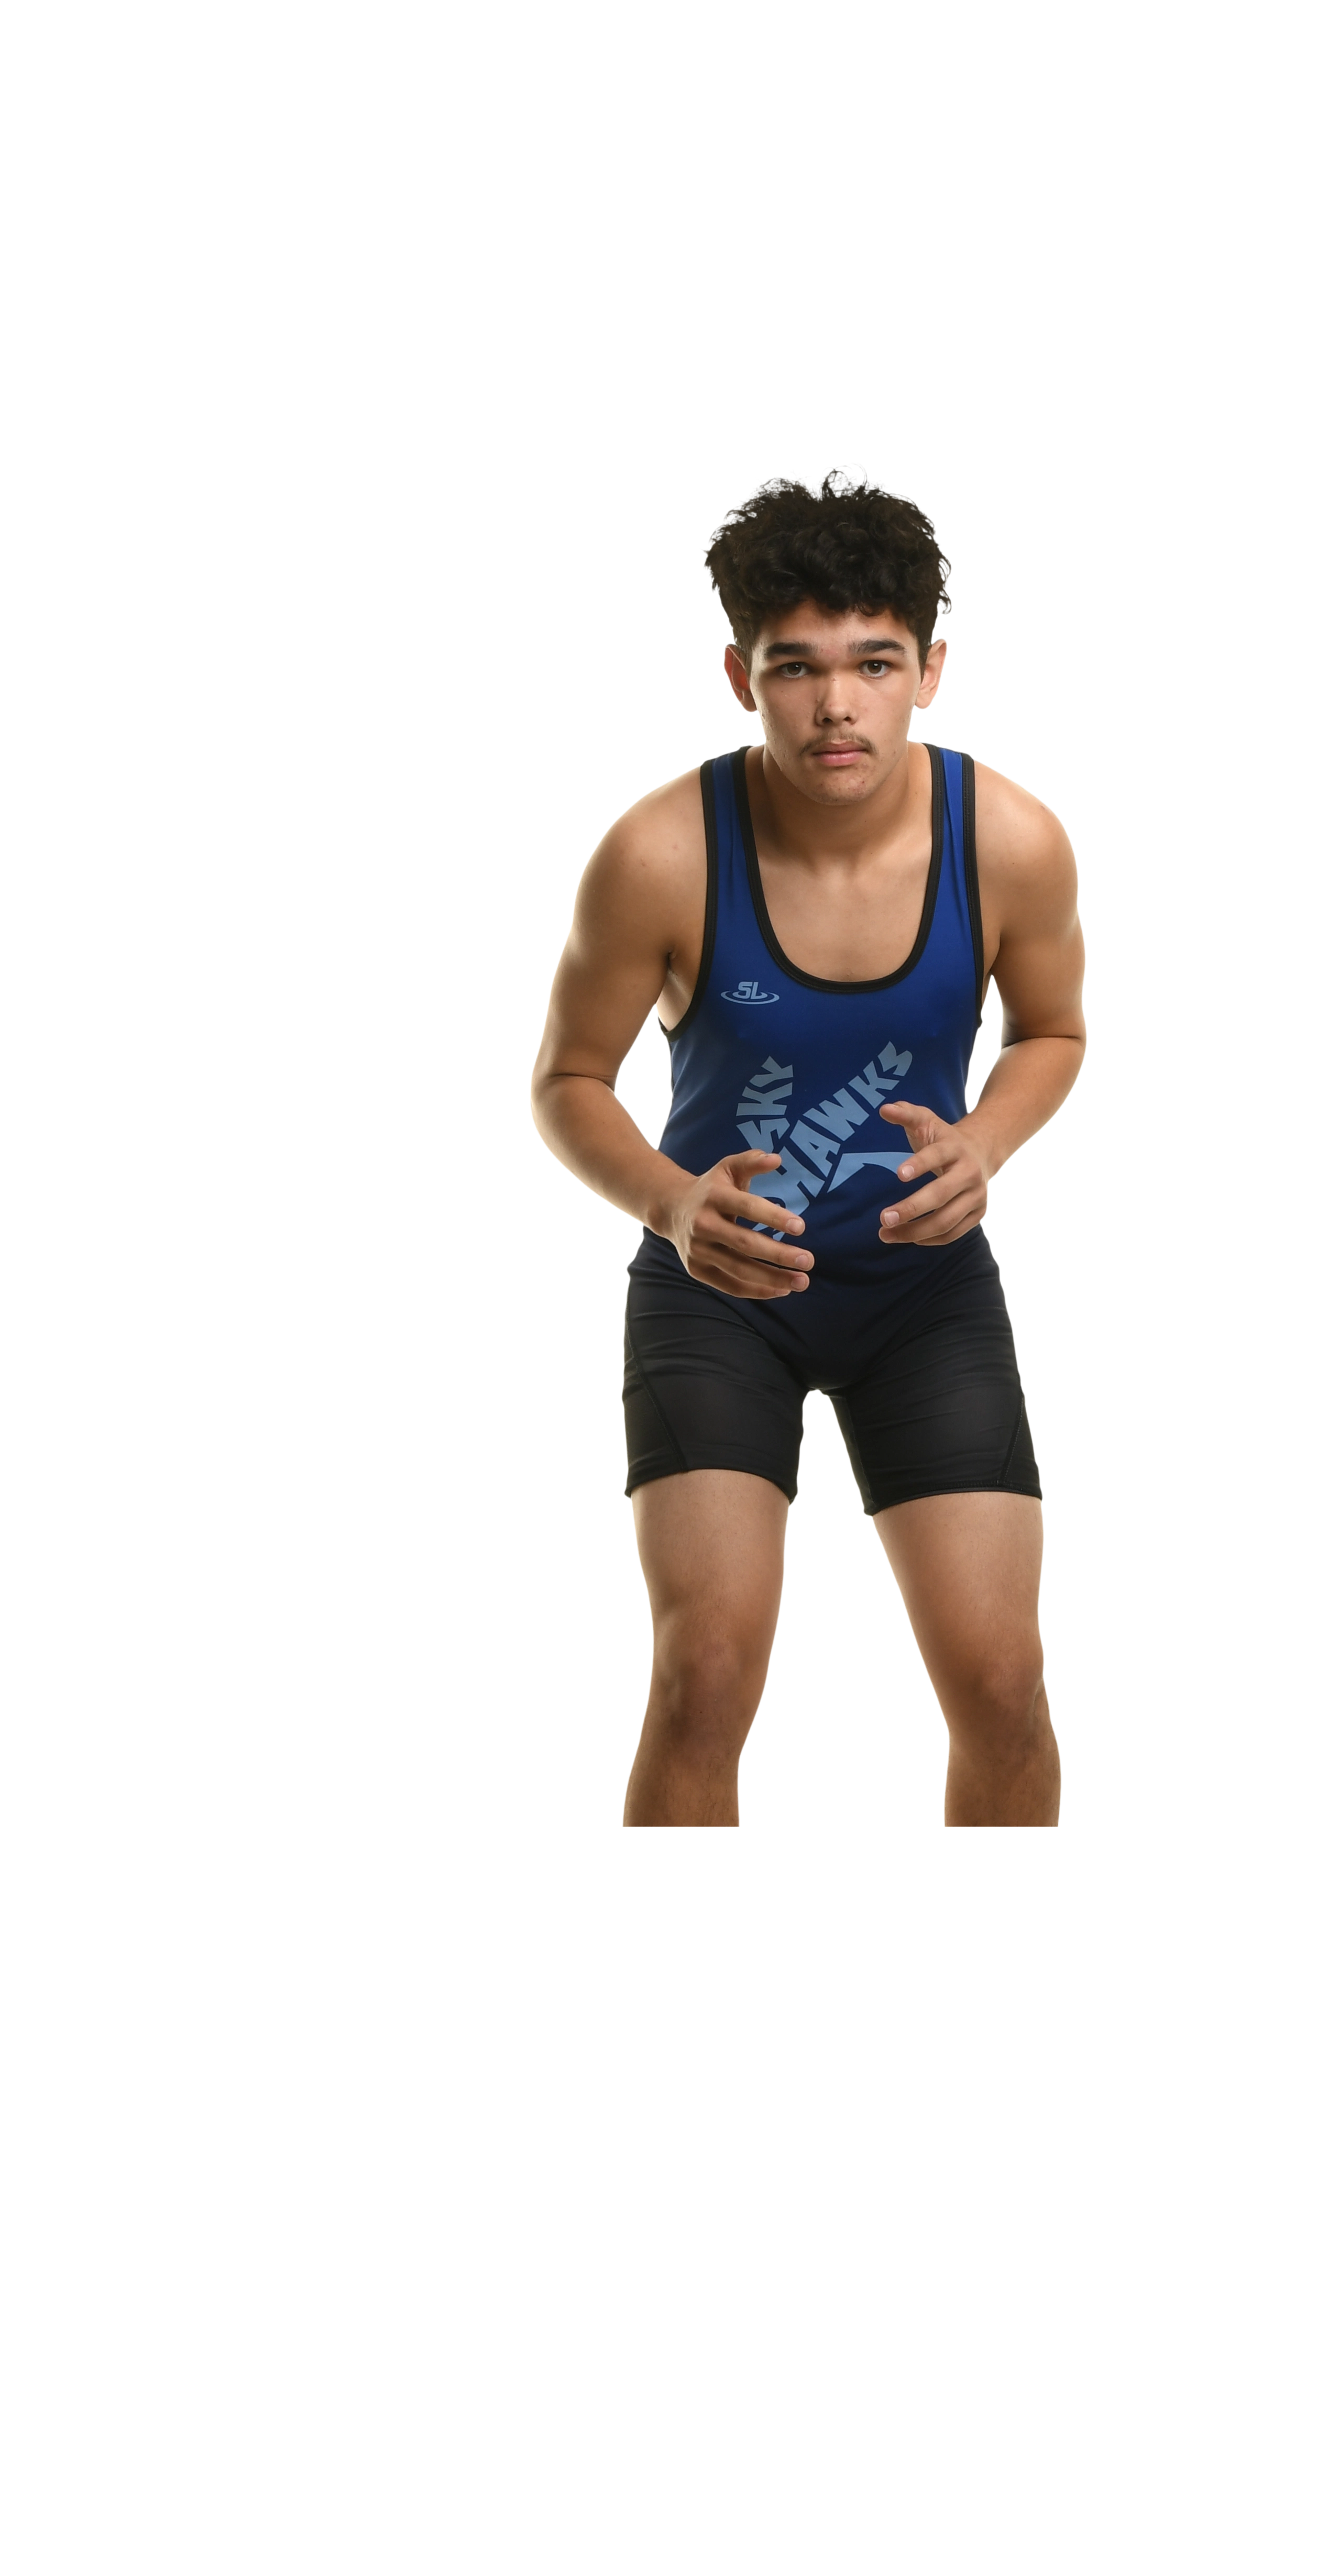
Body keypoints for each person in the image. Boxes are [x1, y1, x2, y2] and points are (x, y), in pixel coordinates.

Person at [530, 463, 1085, 1825]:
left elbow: (1055, 1032)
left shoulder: (1011, 842)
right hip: (719, 1294)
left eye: (874, 663)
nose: (838, 704)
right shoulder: (659, 853)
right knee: (702, 1678)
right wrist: (672, 1206)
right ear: (742, 678)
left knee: (1005, 1685)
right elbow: (568, 1079)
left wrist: (987, 1145)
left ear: (931, 672)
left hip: (922, 1294)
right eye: (797, 667)